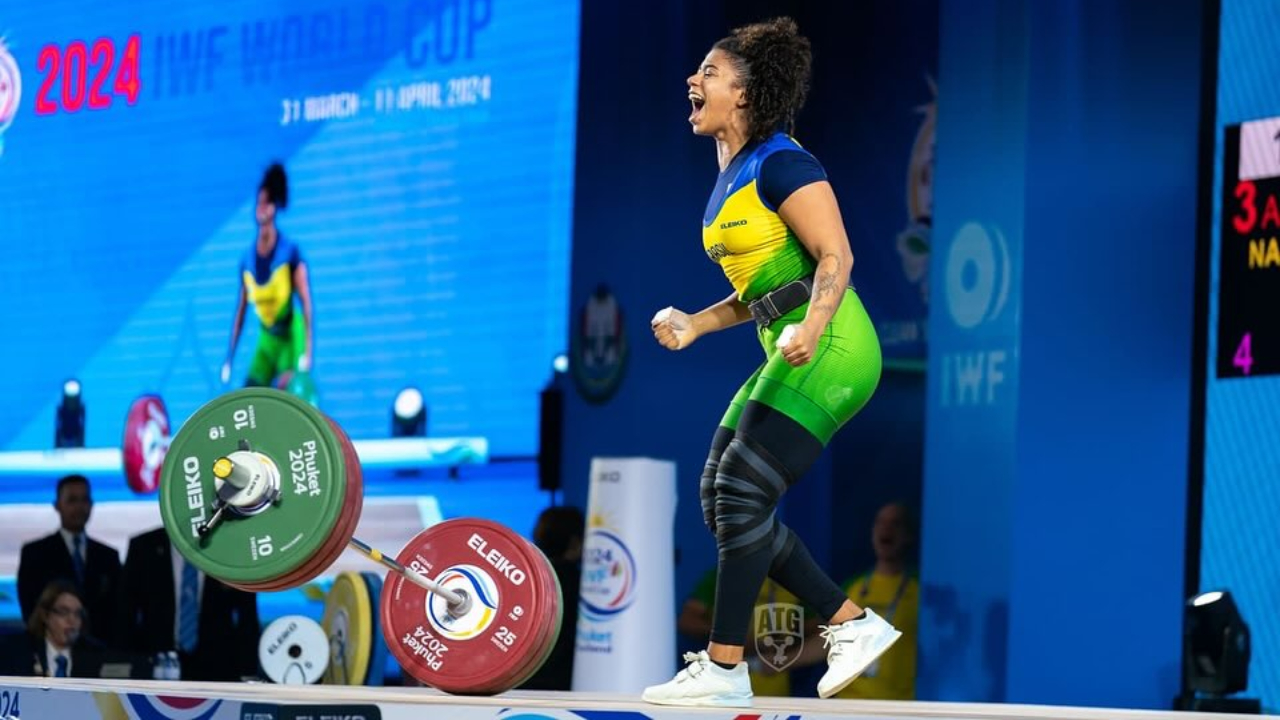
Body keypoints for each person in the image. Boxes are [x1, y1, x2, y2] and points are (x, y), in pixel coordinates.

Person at [643, 17, 900, 707]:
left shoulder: (784, 161)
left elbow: (835, 257)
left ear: (748, 95)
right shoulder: (730, 174)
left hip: (835, 345)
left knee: (742, 492)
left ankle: (726, 669)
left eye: (712, 73)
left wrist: (814, 327)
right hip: (787, 342)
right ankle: (849, 624)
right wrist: (697, 324)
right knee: (721, 498)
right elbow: (761, 289)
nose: (694, 81)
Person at [117, 527, 261, 681]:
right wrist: (123, 663)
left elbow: (247, 616)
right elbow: (125, 612)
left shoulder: (230, 548)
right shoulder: (144, 545)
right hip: (154, 666)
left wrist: (249, 670)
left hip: (217, 668)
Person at [222, 162, 316, 393]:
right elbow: (240, 314)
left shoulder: (289, 253)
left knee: (288, 398)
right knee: (249, 397)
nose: (261, 208)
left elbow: (306, 305)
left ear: (275, 207)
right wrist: (229, 358)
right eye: (259, 203)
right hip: (266, 340)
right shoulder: (247, 262)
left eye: (267, 203)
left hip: (290, 338)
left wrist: (306, 353)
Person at [17, 474, 121, 646]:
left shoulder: (108, 556)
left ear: (92, 505)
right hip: (48, 650)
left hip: (98, 652)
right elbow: (29, 606)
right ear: (57, 505)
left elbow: (117, 610)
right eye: (72, 500)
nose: (79, 507)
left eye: (84, 499)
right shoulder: (34, 553)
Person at [521, 506, 585, 690]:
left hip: (519, 684)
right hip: (566, 688)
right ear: (576, 542)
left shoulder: (523, 580)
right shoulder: (585, 586)